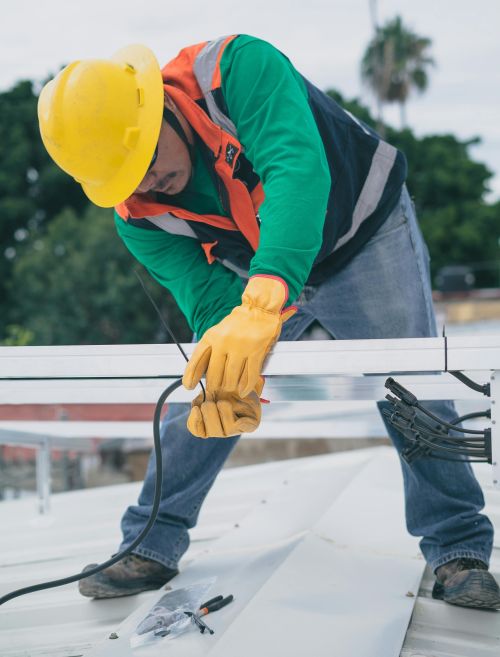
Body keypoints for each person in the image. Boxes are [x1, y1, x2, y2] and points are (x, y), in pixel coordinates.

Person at [38, 35, 500, 609]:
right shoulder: (139, 218)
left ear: (158, 107)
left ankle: (457, 549)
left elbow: (295, 170)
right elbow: (208, 303)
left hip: (361, 234)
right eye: (127, 179)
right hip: (259, 268)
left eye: (146, 162)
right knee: (211, 383)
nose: (145, 186)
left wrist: (264, 302)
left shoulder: (235, 71)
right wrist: (233, 357)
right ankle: (148, 544)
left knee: (412, 388)